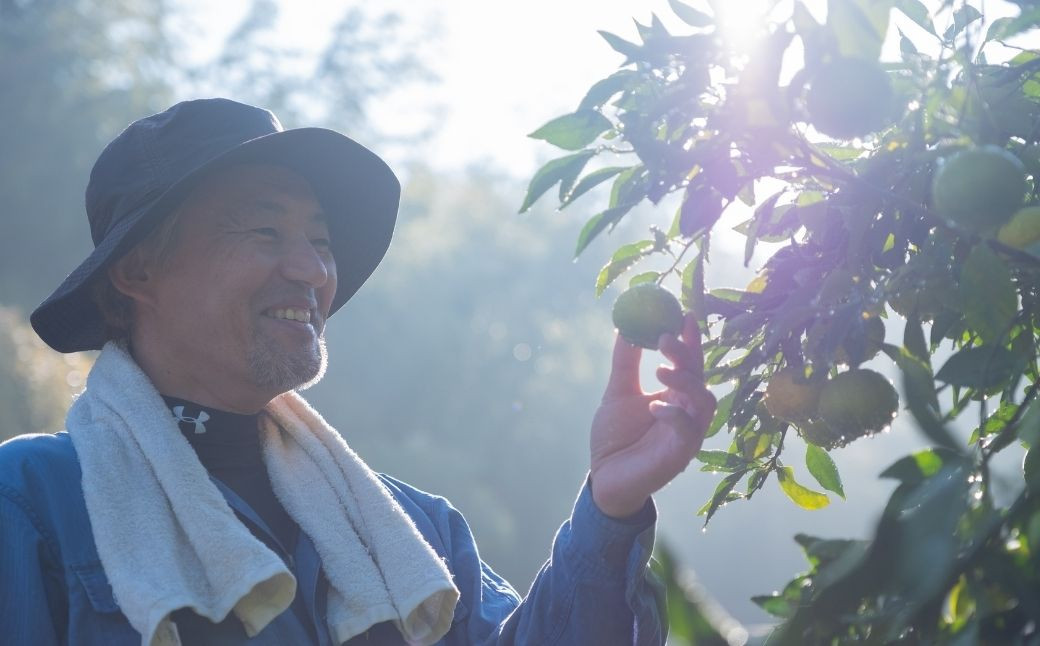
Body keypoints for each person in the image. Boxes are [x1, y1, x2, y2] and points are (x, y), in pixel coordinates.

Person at [0, 98, 716, 645]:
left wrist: (612, 504)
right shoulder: (35, 506)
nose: (313, 270)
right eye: (265, 230)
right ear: (138, 269)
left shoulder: (414, 531)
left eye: (320, 239)